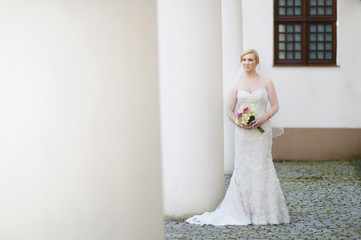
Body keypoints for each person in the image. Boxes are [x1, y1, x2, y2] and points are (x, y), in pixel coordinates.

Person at [186, 49, 290, 226]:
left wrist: (262, 118)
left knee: (262, 165)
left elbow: (275, 106)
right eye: (244, 60)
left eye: (250, 60)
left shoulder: (267, 82)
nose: (247, 63)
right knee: (243, 167)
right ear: (241, 62)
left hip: (262, 131)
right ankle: (243, 208)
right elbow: (229, 111)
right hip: (243, 133)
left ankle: (266, 211)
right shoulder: (236, 86)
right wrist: (239, 122)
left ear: (257, 62)